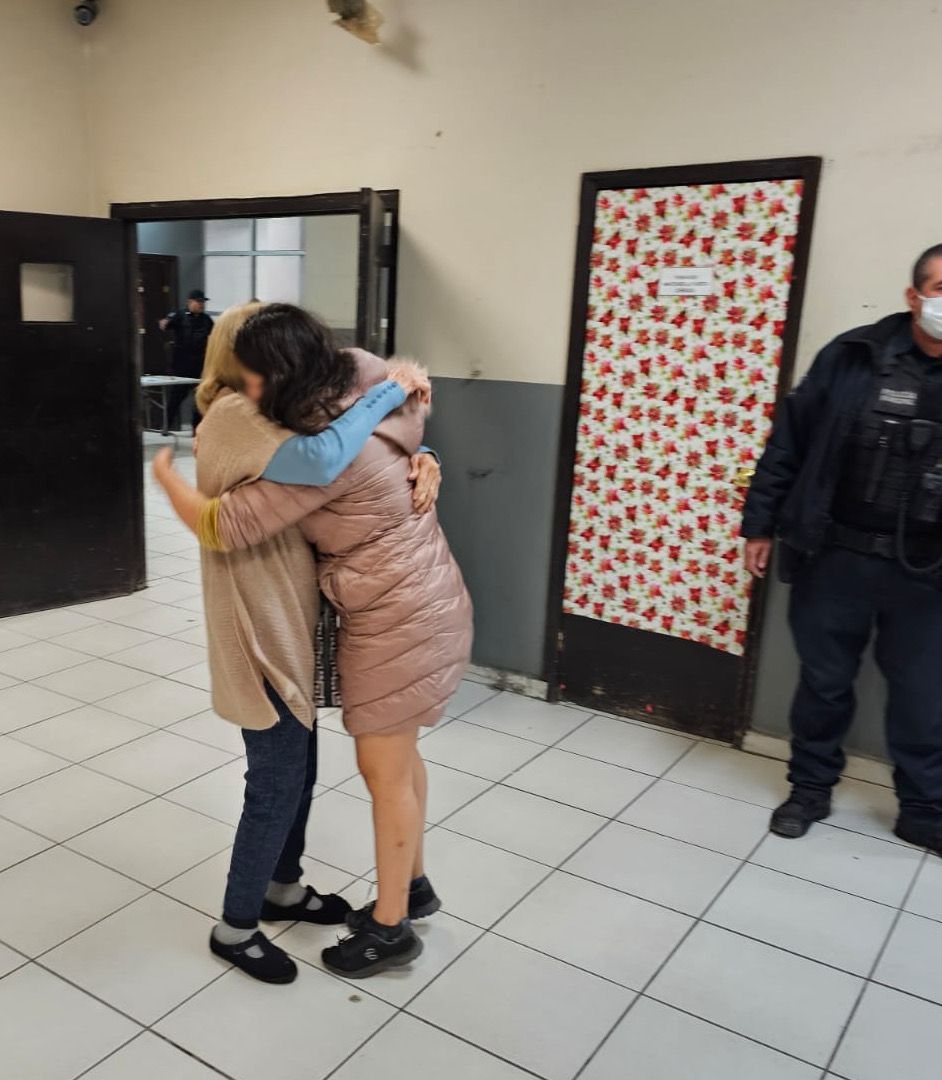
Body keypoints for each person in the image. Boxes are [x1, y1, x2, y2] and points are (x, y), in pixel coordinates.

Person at [154, 303, 473, 979]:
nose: (254, 391)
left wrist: (166, 478)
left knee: (378, 773)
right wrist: (425, 454)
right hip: (399, 604)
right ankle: (397, 891)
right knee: (367, 765)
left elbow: (238, 517)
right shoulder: (358, 395)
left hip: (392, 616)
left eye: (259, 377)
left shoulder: (322, 444)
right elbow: (404, 409)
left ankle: (390, 925)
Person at [742, 244, 942, 856]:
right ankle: (809, 790)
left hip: (929, 571)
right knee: (824, 683)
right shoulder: (853, 355)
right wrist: (760, 524)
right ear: (913, 296)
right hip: (836, 555)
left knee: (925, 694)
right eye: (940, 288)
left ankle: (923, 811)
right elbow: (789, 441)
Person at [159, 288, 215, 432]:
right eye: (198, 302)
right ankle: (165, 426)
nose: (201, 305)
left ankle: (196, 430)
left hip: (199, 366)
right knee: (176, 397)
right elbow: (166, 324)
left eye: (203, 302)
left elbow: (215, 335)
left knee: (199, 400)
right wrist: (165, 322)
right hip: (182, 366)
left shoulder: (206, 320)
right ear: (190, 302)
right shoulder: (180, 315)